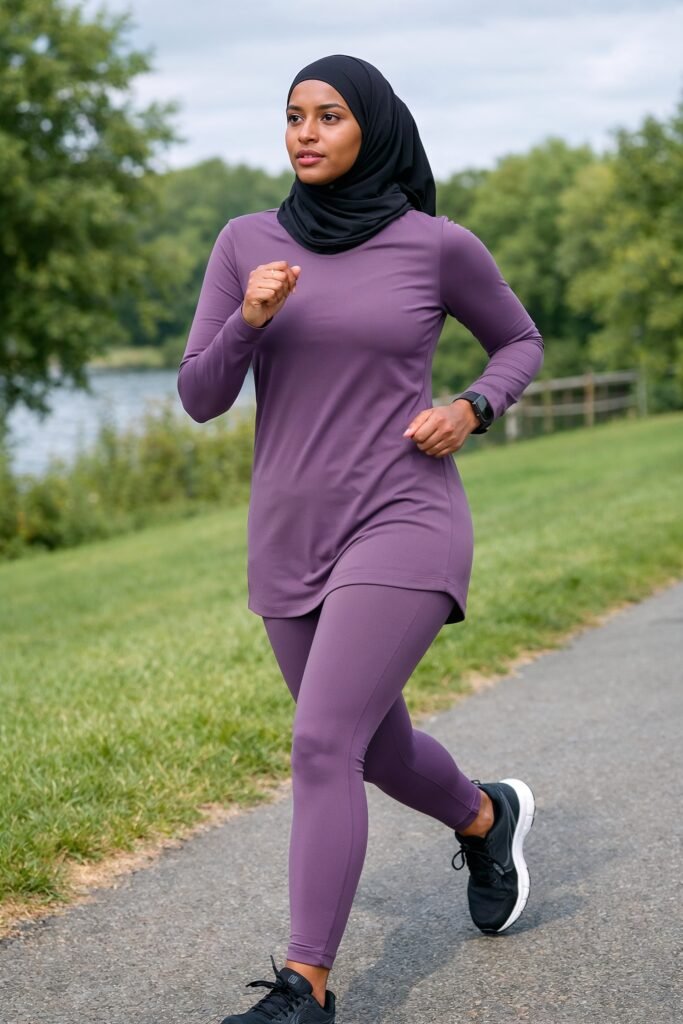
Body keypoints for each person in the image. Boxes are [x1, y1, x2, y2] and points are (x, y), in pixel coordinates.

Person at [177, 53, 543, 1024]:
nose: (303, 132)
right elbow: (200, 396)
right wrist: (249, 320)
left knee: (320, 740)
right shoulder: (243, 244)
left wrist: (472, 406)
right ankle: (483, 815)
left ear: (369, 129)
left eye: (327, 116)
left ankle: (305, 987)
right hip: (288, 535)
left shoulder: (434, 246)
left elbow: (519, 341)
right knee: (373, 748)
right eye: (291, 115)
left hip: (404, 515)